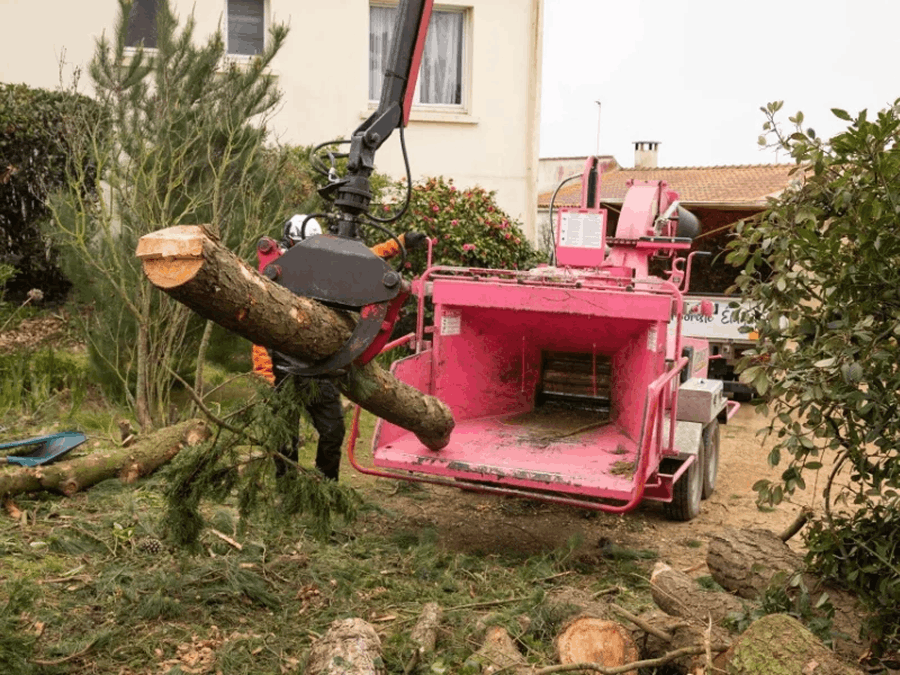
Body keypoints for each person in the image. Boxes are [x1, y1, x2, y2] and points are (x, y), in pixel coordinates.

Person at [252, 214, 427, 480]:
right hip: (282, 368)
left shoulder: (324, 263)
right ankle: (287, 486)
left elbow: (364, 259)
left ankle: (326, 485)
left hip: (319, 364)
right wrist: (265, 375)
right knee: (285, 435)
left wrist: (401, 242)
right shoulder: (281, 269)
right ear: (291, 242)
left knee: (332, 431)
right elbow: (262, 328)